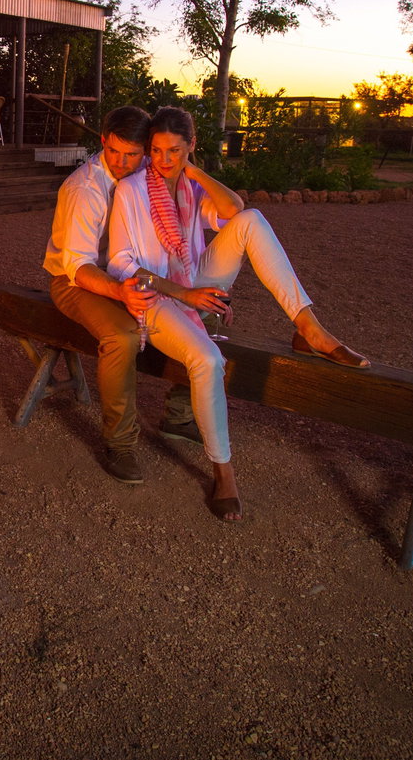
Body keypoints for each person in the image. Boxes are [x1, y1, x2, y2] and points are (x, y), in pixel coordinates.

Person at [107, 106, 368, 522]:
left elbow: (233, 208)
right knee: (208, 361)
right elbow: (121, 265)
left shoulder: (189, 185)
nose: (164, 160)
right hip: (155, 296)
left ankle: (308, 327)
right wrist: (186, 294)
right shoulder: (132, 191)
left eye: (175, 150)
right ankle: (223, 472)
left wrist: (192, 174)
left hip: (192, 278)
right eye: (156, 151)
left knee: (252, 220)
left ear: (191, 147)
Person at [43, 105, 199, 487]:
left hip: (128, 274)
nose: (123, 162)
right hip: (77, 281)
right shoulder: (86, 189)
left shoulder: (149, 176)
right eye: (115, 152)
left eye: (133, 154)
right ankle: (121, 443)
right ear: (103, 141)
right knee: (121, 336)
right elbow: (77, 266)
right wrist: (120, 292)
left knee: (199, 311)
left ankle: (179, 414)